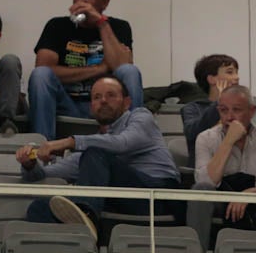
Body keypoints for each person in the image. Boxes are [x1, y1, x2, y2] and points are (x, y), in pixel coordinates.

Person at [17, 74, 179, 240]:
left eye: (111, 95)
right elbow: (44, 175)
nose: (103, 101)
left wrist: (69, 142)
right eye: (97, 97)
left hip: (158, 197)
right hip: (120, 201)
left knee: (95, 153)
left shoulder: (141, 116)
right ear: (91, 107)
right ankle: (81, 242)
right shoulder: (93, 155)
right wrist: (30, 165)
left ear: (127, 102)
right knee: (40, 208)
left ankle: (85, 215)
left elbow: (121, 143)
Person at [27, 0, 140, 140]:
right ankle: (43, 148)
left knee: (130, 72)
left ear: (105, 1)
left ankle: (134, 142)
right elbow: (44, 68)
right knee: (40, 75)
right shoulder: (56, 26)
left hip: (106, 107)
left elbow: (123, 67)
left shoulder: (119, 27)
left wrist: (101, 23)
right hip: (67, 103)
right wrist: (100, 68)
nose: (80, 0)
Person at [191, 84, 256, 236]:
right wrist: (228, 142)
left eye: (237, 110)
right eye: (223, 110)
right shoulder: (205, 138)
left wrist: (251, 194)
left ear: (252, 111)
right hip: (221, 202)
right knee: (200, 190)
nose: (229, 117)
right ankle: (196, 250)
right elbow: (205, 182)